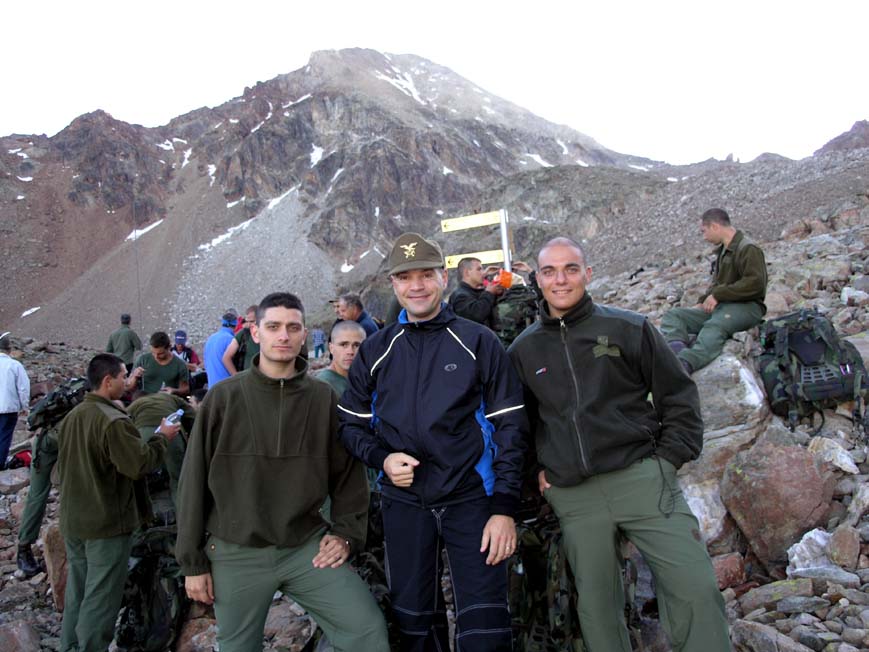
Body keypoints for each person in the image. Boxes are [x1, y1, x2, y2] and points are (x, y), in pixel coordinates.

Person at [507, 237, 730, 652]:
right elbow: (520, 425)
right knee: (596, 609)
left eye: (571, 269)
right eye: (550, 271)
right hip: (575, 495)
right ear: (537, 279)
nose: (561, 280)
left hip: (642, 479)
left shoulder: (628, 328)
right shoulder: (523, 350)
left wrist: (667, 461)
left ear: (588, 274)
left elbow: (678, 394)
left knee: (694, 587)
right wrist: (536, 473)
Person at [339, 233, 528, 652]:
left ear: (443, 278)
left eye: (426, 274)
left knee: (485, 629)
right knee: (415, 626)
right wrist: (383, 459)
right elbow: (350, 425)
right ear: (393, 284)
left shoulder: (478, 341)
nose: (417, 286)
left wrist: (504, 509)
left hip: (471, 499)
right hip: (404, 503)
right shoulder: (376, 349)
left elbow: (511, 427)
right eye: (405, 277)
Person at [175, 292, 389, 652]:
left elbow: (349, 477)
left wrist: (346, 534)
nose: (283, 336)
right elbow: (193, 482)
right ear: (255, 333)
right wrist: (192, 563)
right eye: (273, 327)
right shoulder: (223, 398)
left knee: (366, 631)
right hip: (235, 551)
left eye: (292, 327)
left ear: (305, 334)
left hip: (305, 548)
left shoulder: (323, 399)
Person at [57, 353, 180, 652]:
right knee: (101, 596)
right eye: (124, 376)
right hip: (106, 524)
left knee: (78, 589)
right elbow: (139, 464)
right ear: (107, 380)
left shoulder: (73, 416)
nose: (128, 381)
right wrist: (162, 437)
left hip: (74, 520)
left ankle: (69, 645)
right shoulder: (112, 421)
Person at [661, 208, 768, 373]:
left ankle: (686, 364)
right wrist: (702, 301)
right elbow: (716, 283)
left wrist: (718, 295)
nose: (704, 237)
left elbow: (755, 283)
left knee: (714, 325)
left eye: (704, 231)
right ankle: (676, 353)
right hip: (722, 306)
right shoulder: (724, 251)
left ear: (715, 226)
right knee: (675, 315)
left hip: (747, 307)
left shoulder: (748, 248)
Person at [128, 391, 196, 506]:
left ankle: (147, 513)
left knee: (141, 479)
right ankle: (184, 513)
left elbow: (124, 424)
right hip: (172, 432)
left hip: (143, 434)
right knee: (178, 479)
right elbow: (192, 415)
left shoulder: (134, 404)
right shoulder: (169, 397)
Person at [0, 332, 29, 470]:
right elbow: (23, 388)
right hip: (8, 407)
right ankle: (1, 462)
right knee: (4, 435)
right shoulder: (14, 365)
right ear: (9, 349)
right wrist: (24, 406)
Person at [448, 257, 505, 328]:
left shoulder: (474, 292)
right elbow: (477, 315)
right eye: (479, 269)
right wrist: (489, 293)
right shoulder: (460, 296)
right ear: (467, 272)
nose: (483, 273)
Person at [129, 331, 190, 396]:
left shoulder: (180, 365)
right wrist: (135, 377)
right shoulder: (142, 360)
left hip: (167, 400)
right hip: (146, 400)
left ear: (169, 347)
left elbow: (186, 389)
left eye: (160, 354)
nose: (156, 356)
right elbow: (128, 388)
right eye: (153, 352)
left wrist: (174, 391)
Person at [315, 321, 366, 397]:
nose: (350, 351)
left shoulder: (365, 379)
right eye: (343, 345)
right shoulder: (322, 385)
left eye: (356, 345)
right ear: (331, 348)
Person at [221, 305, 260, 375]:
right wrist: (236, 376)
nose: (248, 324)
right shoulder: (243, 334)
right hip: (248, 379)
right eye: (247, 321)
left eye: (252, 321)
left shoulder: (270, 334)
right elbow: (226, 358)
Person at [203, 310, 238, 386]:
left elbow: (205, 363)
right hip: (226, 386)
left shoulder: (210, 338)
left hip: (212, 386)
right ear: (235, 324)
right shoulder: (231, 339)